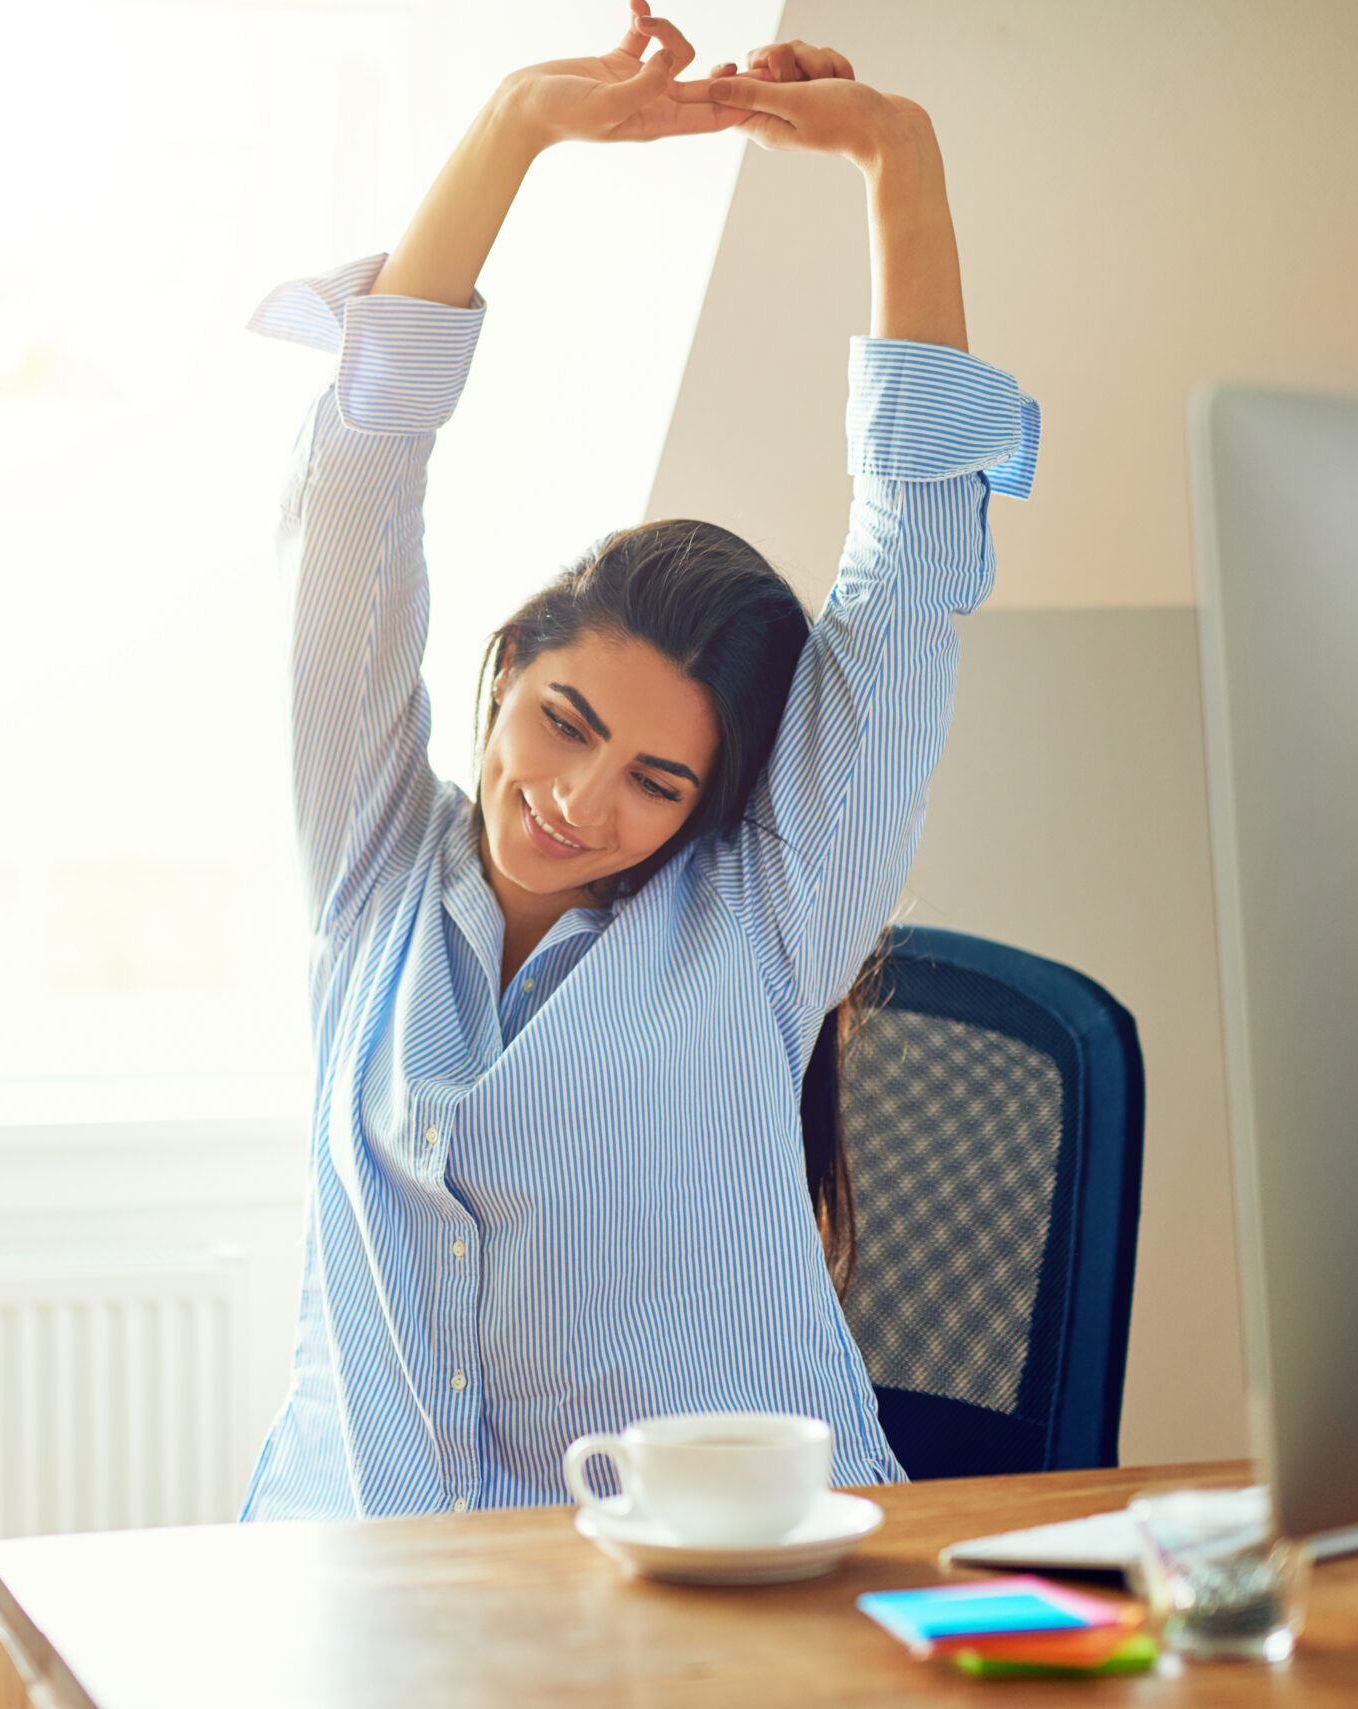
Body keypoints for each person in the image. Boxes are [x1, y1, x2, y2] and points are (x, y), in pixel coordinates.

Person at [240, 2, 1039, 1520]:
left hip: (727, 1590)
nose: (577, 802)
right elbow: (359, 489)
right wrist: (513, 131)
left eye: (658, 785)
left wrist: (902, 168)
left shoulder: (768, 914)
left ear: (715, 807)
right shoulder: (370, 867)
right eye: (565, 721)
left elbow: (911, 564)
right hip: (378, 1578)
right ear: (506, 673)